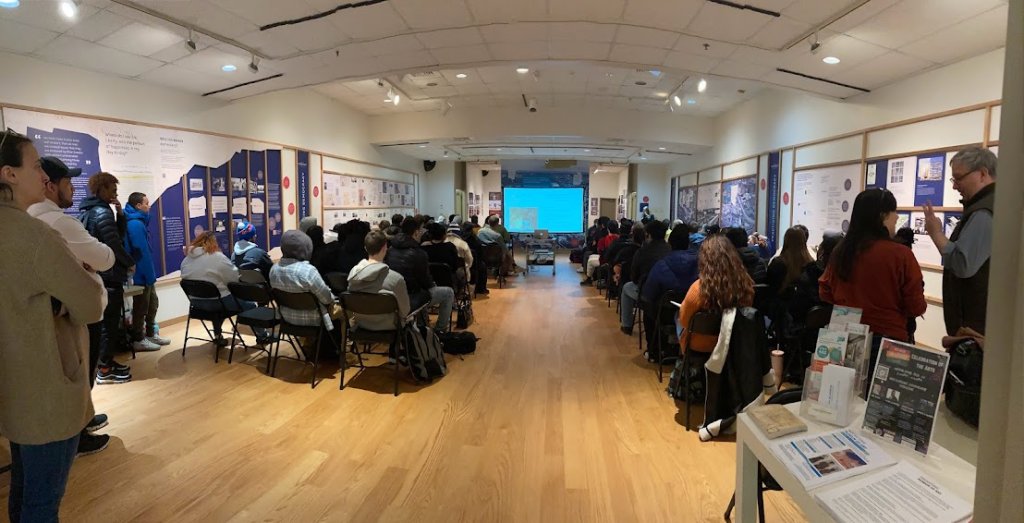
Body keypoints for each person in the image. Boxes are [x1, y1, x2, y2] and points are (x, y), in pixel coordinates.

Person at [1, 131, 106, 520]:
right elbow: (91, 304)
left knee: (24, 492)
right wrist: (70, 294)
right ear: (9, 174)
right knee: (42, 505)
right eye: (35, 164)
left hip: (11, 389)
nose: (42, 173)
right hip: (45, 388)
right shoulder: (36, 236)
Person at [27, 155, 114, 456]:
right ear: (49, 185)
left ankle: (83, 422)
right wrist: (87, 263)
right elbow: (105, 257)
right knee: (79, 374)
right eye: (67, 182)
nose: (72, 188)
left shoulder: (28, 219)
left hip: (54, 312)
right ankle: (77, 435)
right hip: (74, 311)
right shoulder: (57, 221)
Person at [820, 189, 926, 376]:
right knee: (882, 400)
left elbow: (825, 292)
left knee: (844, 396)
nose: (897, 217)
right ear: (883, 215)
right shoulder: (900, 255)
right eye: (894, 212)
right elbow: (915, 306)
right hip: (889, 340)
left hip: (845, 336)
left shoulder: (842, 251)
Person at [923, 145, 996, 336]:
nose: (955, 186)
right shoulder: (987, 205)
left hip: (975, 331)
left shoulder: (984, 212)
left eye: (958, 178)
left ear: (982, 174)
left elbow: (962, 264)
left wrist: (936, 233)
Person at [79, 172, 135, 385]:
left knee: (107, 323)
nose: (115, 194)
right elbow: (114, 244)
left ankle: (105, 363)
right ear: (101, 189)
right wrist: (129, 261)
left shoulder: (91, 210)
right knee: (109, 324)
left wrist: (120, 214)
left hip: (101, 275)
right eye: (112, 190)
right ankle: (104, 367)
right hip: (109, 276)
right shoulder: (101, 212)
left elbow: (115, 237)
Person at [677, 235, 755, 352]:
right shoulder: (745, 285)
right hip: (733, 346)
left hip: (699, 347)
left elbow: (684, 320)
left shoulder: (698, 289)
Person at [181, 232, 261, 345]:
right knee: (250, 305)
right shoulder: (217, 257)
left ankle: (218, 335)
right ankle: (262, 336)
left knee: (219, 300)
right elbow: (233, 278)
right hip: (217, 303)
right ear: (214, 242)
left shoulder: (186, 261)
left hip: (196, 304)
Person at [386, 217, 455, 332]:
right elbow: (426, 282)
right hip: (412, 295)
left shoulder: (391, 250)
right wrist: (433, 284)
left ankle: (423, 325)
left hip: (393, 294)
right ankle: (440, 330)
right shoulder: (419, 253)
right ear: (416, 232)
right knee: (448, 293)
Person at [270, 231, 340, 342]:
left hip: (286, 318)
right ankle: (338, 351)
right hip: (314, 319)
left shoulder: (274, 270)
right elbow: (326, 299)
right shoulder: (308, 271)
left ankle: (308, 343)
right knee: (343, 312)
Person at [641, 225, 699, 359]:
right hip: (694, 315)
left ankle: (654, 351)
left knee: (648, 308)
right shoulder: (700, 263)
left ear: (670, 243)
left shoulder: (661, 264)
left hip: (665, 314)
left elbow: (649, 294)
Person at [124, 192, 170, 352]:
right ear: (138, 206)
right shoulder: (135, 224)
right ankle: (139, 338)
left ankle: (151, 333)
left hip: (146, 273)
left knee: (152, 304)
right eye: (146, 203)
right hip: (142, 274)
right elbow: (140, 251)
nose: (149, 206)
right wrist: (144, 274)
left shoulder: (139, 222)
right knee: (141, 307)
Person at [347, 230, 411, 331]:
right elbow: (405, 311)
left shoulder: (353, 275)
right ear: (385, 247)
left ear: (365, 248)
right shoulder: (396, 278)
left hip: (360, 323)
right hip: (389, 325)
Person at [619, 220, 671, 333]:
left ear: (648, 234)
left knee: (627, 287)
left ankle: (627, 325)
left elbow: (634, 277)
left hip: (647, 294)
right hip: (670, 295)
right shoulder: (670, 250)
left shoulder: (642, 252)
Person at [766, 227, 815, 298]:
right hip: (805, 307)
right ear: (804, 241)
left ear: (786, 241)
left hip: (779, 305)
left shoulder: (777, 263)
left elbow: (770, 287)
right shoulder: (811, 265)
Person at [421, 222, 466, 289]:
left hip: (429, 282)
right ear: (444, 235)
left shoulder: (424, 248)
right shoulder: (450, 246)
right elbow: (455, 266)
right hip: (449, 281)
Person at [581, 220, 619, 285]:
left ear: (608, 228)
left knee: (590, 261)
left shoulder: (604, 239)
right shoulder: (619, 238)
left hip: (606, 261)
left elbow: (600, 251)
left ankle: (589, 279)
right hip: (617, 261)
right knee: (591, 257)